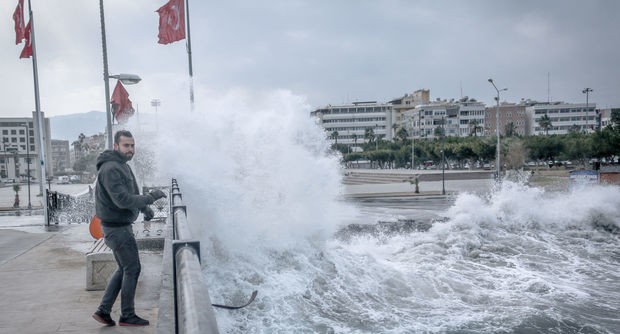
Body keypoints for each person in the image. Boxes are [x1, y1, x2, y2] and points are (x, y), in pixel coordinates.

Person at [91, 130, 167, 327]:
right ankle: (127, 315)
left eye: (132, 146)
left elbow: (131, 193)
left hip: (119, 226)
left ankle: (103, 311)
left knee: (123, 268)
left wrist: (144, 208)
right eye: (126, 145)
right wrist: (152, 197)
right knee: (132, 268)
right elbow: (122, 200)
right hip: (117, 229)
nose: (130, 149)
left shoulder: (122, 166)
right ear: (116, 146)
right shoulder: (110, 169)